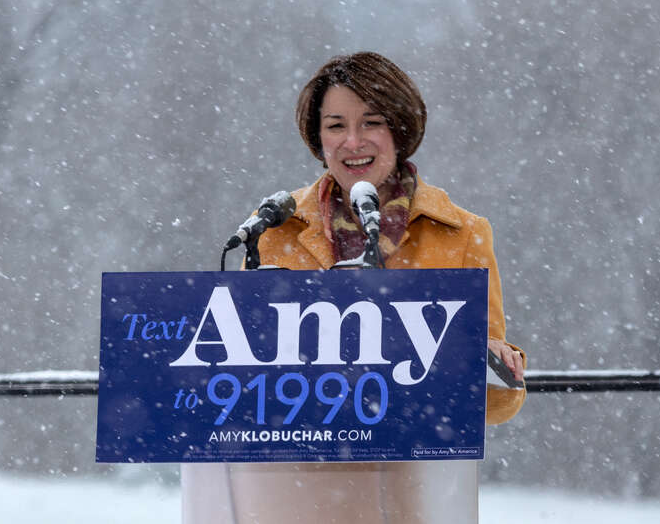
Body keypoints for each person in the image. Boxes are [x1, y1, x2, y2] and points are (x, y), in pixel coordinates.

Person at [181, 51, 526, 524]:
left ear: (400, 130)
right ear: (317, 136)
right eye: (336, 125)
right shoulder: (274, 230)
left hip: (406, 492)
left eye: (372, 122)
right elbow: (241, 375)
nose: (353, 141)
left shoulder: (462, 235)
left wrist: (491, 362)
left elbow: (498, 402)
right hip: (287, 492)